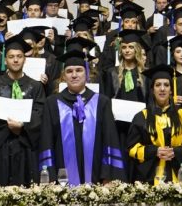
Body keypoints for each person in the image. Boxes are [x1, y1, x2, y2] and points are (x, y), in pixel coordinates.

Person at [38, 51, 126, 184]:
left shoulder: (101, 102)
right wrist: (49, 177)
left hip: (96, 178)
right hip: (61, 181)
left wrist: (107, 176)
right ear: (63, 76)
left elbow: (110, 139)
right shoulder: (52, 103)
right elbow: (46, 141)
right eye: (69, 71)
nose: (74, 75)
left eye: (79, 70)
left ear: (87, 74)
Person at [0, 36, 45, 185]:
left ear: (25, 60)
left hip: (26, 145)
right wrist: (11, 126)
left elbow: (40, 112)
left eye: (19, 56)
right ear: (5, 60)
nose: (15, 60)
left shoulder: (35, 86)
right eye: (11, 57)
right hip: (2, 145)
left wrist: (22, 126)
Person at [126, 65, 182, 184]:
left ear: (171, 90)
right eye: (158, 85)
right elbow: (131, 148)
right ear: (152, 89)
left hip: (179, 179)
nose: (162, 89)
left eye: (166, 85)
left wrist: (176, 152)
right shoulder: (141, 117)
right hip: (150, 179)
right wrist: (155, 151)